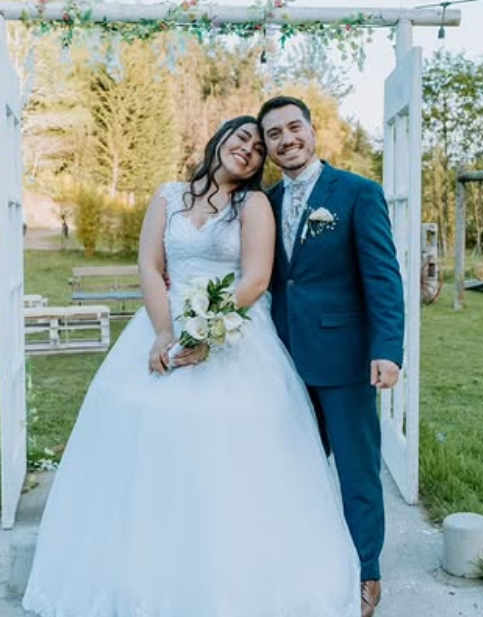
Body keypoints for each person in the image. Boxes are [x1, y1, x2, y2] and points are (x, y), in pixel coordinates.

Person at [22, 115, 361, 617]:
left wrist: (205, 331)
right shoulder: (168, 195)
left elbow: (255, 279)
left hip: (233, 330)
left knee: (229, 435)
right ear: (219, 139)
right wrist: (165, 331)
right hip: (162, 320)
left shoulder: (253, 205)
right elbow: (150, 266)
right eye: (241, 138)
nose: (247, 150)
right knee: (138, 422)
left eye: (257, 149)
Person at [257, 96, 405, 617]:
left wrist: (387, 349)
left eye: (293, 127)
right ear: (268, 146)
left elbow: (383, 278)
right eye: (274, 134)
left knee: (357, 471)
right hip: (281, 361)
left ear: (313, 130)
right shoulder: (265, 203)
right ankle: (304, 563)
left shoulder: (357, 193)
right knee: (293, 467)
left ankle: (367, 573)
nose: (286, 139)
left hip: (344, 360)